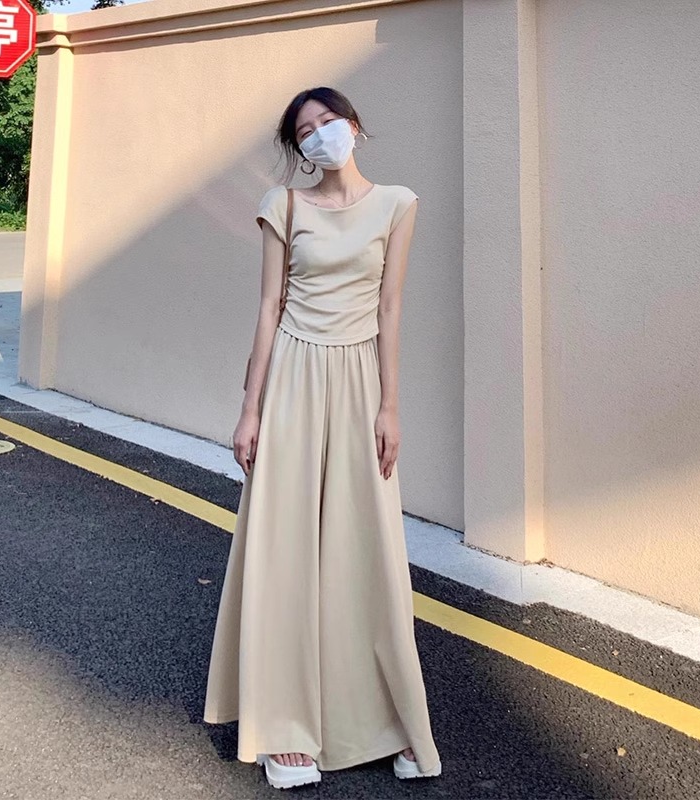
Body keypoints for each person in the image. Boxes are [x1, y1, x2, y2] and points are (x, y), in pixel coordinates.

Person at [203, 86, 441, 790]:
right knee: (284, 550)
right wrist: (250, 409)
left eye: (328, 121)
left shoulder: (397, 204)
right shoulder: (284, 206)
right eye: (304, 131)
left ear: (354, 126)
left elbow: (390, 308)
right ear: (298, 148)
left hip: (361, 381)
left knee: (365, 550)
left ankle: (388, 721)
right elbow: (269, 307)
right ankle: (284, 729)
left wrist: (391, 407)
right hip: (293, 379)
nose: (319, 136)